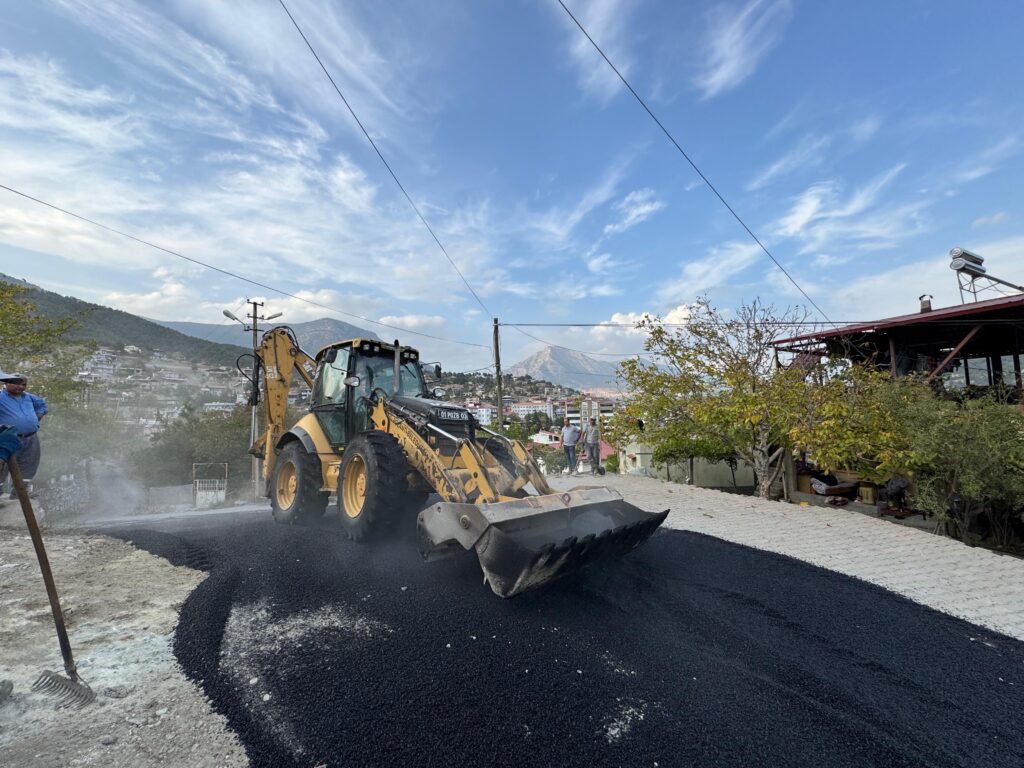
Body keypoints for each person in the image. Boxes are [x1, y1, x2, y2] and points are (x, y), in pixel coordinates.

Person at [0, 372, 47, 499]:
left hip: (30, 437)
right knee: (2, 465)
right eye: (16, 383)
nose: (20, 387)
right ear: (6, 383)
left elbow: (42, 406)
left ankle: (19, 493)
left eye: (23, 384)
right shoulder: (1, 397)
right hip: (8, 438)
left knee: (29, 464)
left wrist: (36, 418)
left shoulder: (29, 397)